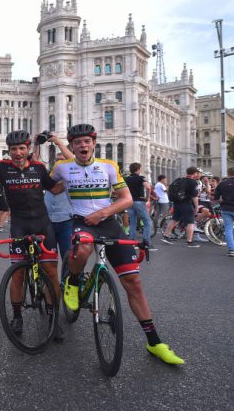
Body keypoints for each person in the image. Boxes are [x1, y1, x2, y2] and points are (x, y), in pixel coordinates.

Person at [52, 124, 184, 365]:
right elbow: (46, 186)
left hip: (108, 222)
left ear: (94, 143)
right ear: (71, 146)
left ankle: (155, 342)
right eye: (78, 142)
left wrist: (103, 213)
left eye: (87, 141)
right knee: (83, 247)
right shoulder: (61, 167)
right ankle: (72, 281)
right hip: (81, 223)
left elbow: (127, 200)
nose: (83, 145)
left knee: (133, 283)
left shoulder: (109, 166)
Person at [0, 130, 69, 341]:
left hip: (43, 225)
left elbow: (54, 189)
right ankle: (17, 317)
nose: (17, 152)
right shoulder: (1, 168)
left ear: (28, 149)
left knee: (51, 273)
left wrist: (73, 180)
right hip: (19, 226)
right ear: (8, 151)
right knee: (18, 274)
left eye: (22, 148)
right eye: (13, 149)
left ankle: (54, 318)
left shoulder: (39, 168)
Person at [44, 152, 73, 262]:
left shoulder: (74, 177)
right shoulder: (49, 176)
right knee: (47, 260)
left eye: (63, 160)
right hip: (47, 221)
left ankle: (67, 279)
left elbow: (55, 190)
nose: (59, 163)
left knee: (68, 258)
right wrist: (36, 144)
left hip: (67, 221)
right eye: (57, 160)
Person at [161, 167, 201, 248]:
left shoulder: (179, 179)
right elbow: (194, 196)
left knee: (175, 219)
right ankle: (189, 241)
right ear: (195, 173)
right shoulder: (193, 182)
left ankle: (166, 236)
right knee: (190, 222)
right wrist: (197, 206)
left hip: (177, 203)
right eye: (197, 173)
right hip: (186, 204)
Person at [125, 162, 155, 250]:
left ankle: (132, 241)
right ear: (138, 169)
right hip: (139, 201)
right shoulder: (141, 178)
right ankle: (147, 242)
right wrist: (147, 197)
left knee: (133, 222)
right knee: (147, 221)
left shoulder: (126, 179)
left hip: (130, 202)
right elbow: (148, 187)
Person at [213, 167, 234, 257]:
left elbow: (216, 197)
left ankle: (231, 250)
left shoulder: (222, 184)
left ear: (228, 173)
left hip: (226, 208)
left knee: (228, 229)